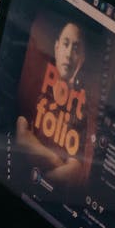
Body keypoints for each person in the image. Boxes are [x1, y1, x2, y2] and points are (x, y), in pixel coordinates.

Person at [15, 19, 94, 185]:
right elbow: (21, 135)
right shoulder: (41, 82)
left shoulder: (83, 105)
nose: (68, 54)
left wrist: (39, 182)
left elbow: (75, 171)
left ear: (82, 57)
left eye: (76, 48)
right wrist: (56, 161)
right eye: (65, 44)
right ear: (57, 48)